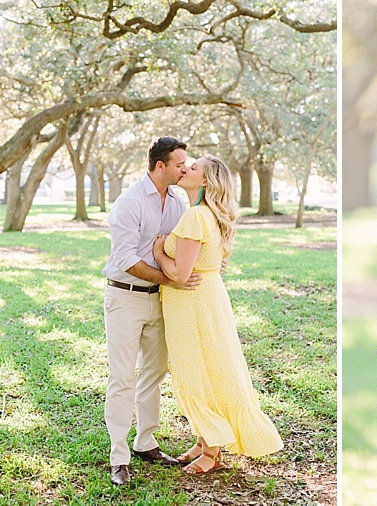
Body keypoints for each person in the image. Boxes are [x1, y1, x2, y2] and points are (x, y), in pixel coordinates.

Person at [152, 154, 283, 475]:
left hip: (192, 303)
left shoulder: (197, 215)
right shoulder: (206, 214)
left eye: (193, 168)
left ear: (206, 181)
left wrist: (158, 251)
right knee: (208, 366)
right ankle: (204, 440)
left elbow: (181, 274)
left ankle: (211, 452)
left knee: (198, 370)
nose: (185, 170)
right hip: (207, 298)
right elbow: (210, 261)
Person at [103, 136, 202, 486]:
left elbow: (186, 244)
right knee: (122, 378)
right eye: (179, 164)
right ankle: (119, 456)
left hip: (162, 298)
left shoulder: (177, 200)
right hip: (125, 297)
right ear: (160, 166)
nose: (184, 169)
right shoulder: (128, 202)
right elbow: (125, 258)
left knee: (154, 373)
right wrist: (169, 279)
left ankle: (146, 442)